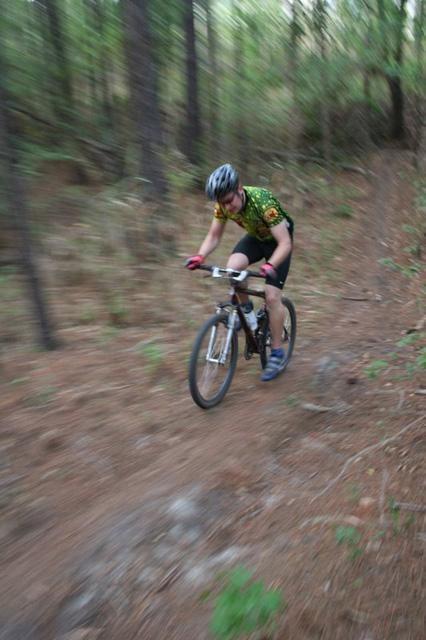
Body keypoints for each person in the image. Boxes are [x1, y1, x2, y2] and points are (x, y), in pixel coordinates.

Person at [186, 163, 294, 382]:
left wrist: (270, 265)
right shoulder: (223, 205)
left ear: (239, 188)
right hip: (256, 238)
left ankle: (276, 352)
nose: (227, 207)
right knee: (232, 268)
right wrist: (200, 256)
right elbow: (214, 236)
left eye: (229, 201)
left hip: (278, 242)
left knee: (272, 296)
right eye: (222, 203)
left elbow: (285, 243)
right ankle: (247, 312)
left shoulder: (263, 202)